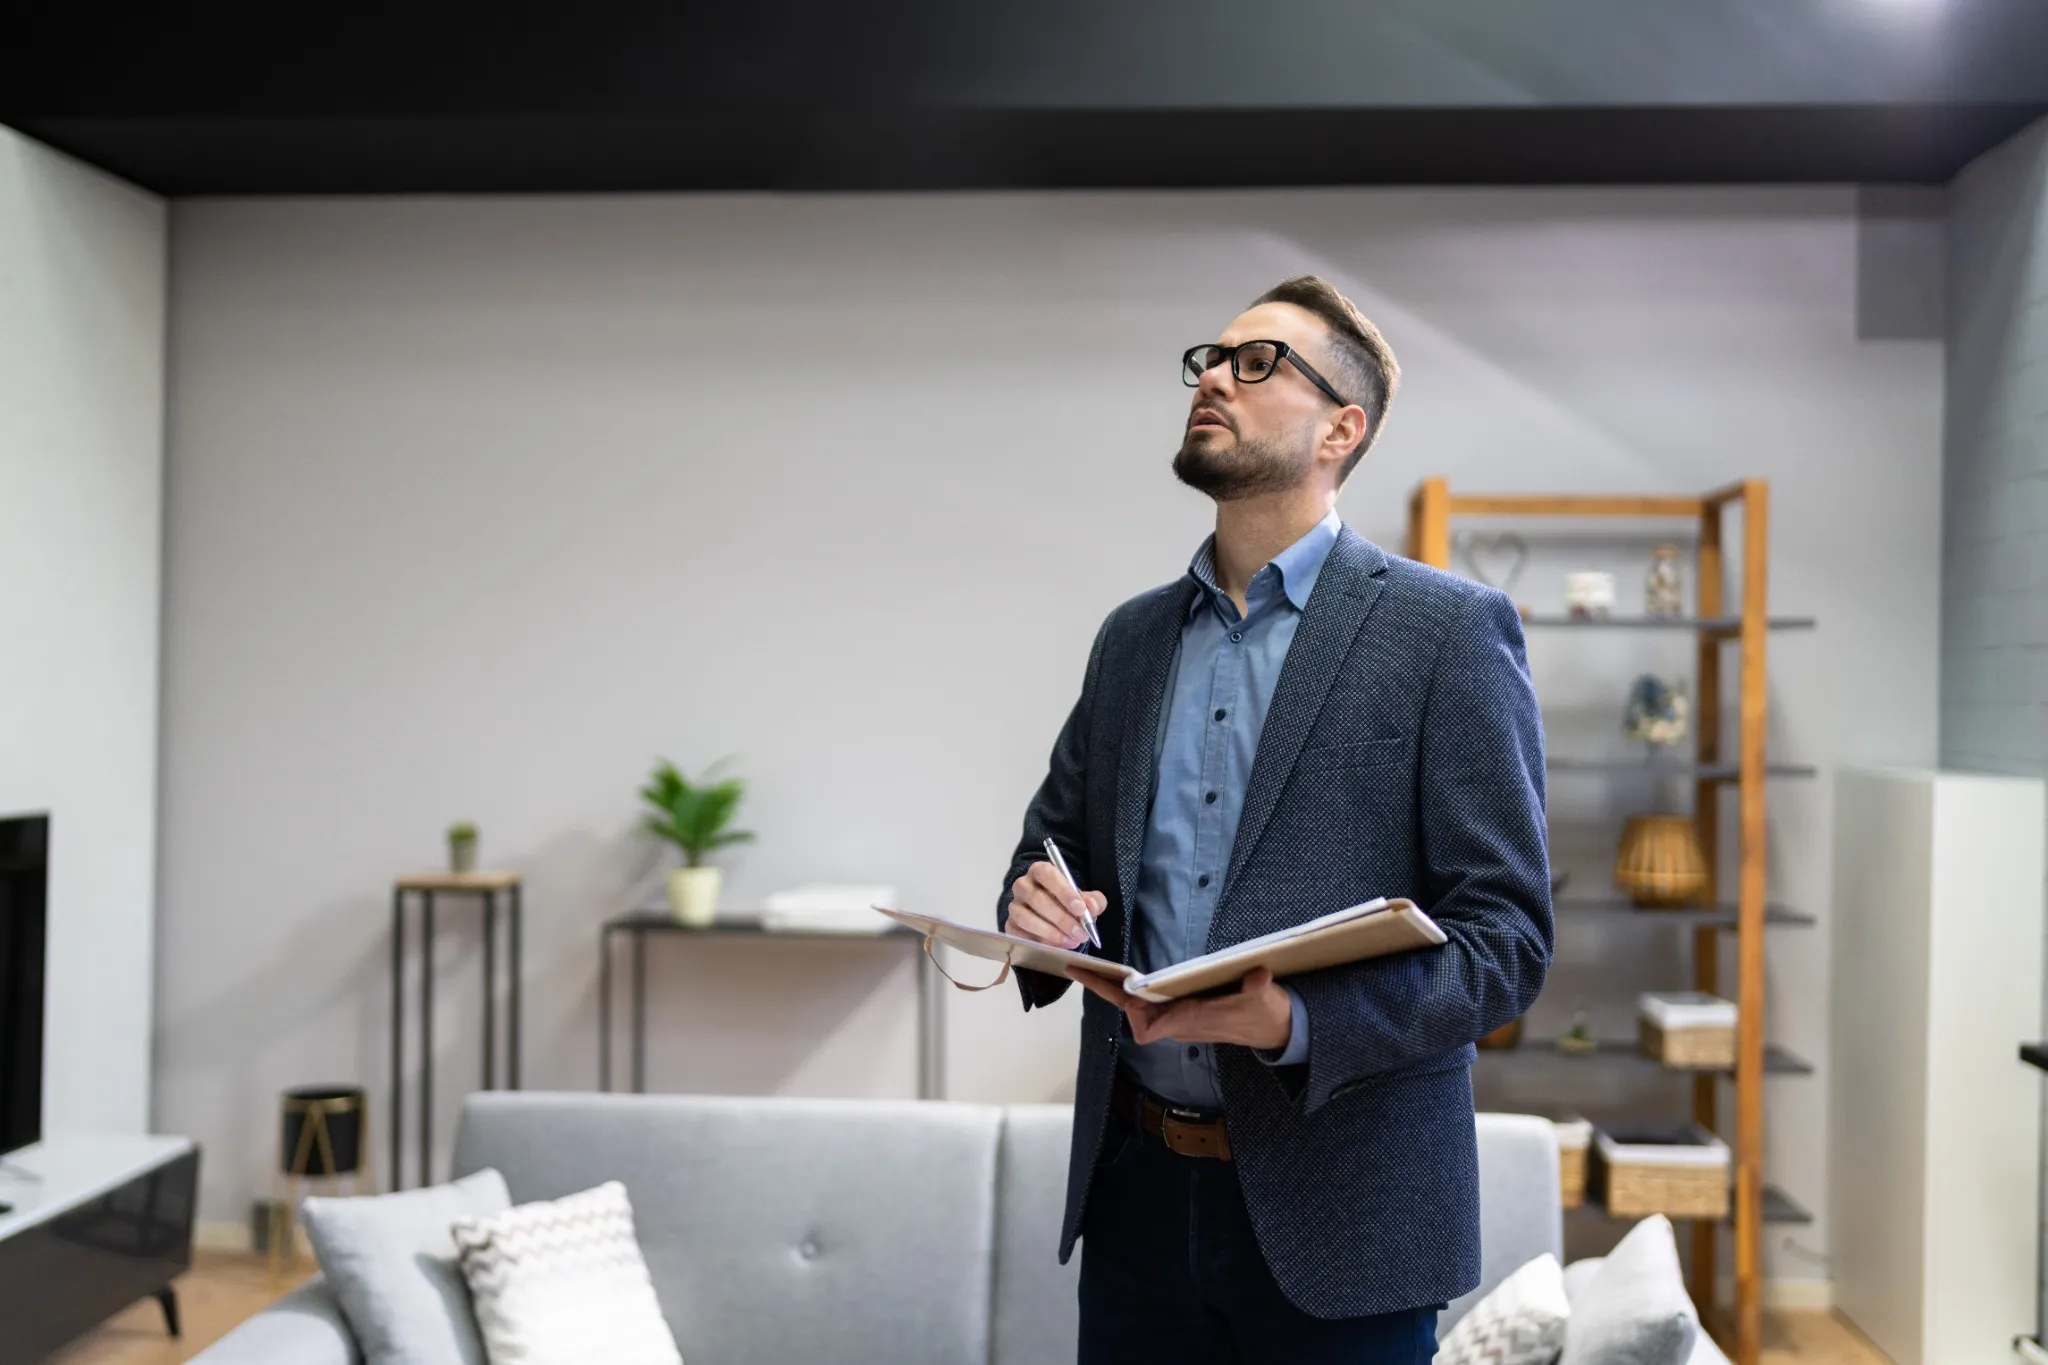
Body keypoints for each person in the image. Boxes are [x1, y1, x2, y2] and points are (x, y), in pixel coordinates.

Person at [997, 276, 1552, 1364]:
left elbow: (1507, 942)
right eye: (1209, 357)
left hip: (1347, 1211)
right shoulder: (1131, 640)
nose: (1213, 376)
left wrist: (1296, 1020)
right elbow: (1050, 847)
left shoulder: (1447, 633)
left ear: (1341, 430)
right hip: (1135, 1199)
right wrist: (1038, 906)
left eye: (1255, 363)